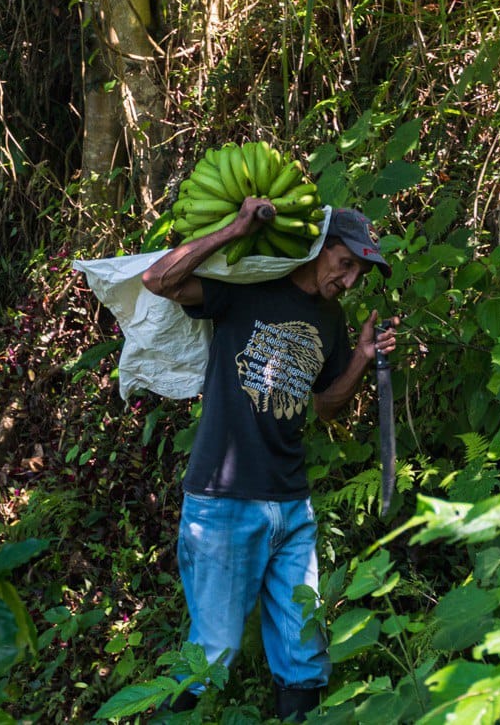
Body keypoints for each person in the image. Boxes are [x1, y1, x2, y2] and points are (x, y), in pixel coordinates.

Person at [141, 197, 397, 722]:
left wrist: (361, 359)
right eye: (345, 264)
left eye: (359, 273)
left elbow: (326, 405)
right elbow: (158, 280)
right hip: (223, 501)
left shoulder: (330, 317)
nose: (349, 281)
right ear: (321, 247)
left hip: (291, 504)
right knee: (212, 654)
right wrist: (235, 231)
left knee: (305, 652)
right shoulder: (248, 286)